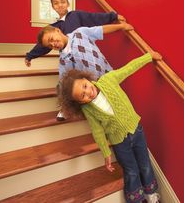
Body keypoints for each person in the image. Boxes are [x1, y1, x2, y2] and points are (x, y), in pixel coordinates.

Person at [58, 51, 162, 203]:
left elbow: (129, 68)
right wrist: (106, 153)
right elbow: (97, 131)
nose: (88, 93)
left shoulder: (108, 80)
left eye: (85, 86)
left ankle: (152, 194)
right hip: (120, 142)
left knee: (145, 164)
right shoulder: (89, 109)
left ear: (85, 78)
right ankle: (137, 199)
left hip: (136, 130)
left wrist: (148, 56)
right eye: (83, 96)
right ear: (80, 103)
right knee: (131, 171)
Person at [26, 0, 125, 120]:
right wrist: (30, 55)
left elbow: (94, 18)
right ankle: (65, 107)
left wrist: (114, 17)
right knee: (64, 82)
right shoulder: (53, 28)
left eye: (62, 2)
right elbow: (42, 46)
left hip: (84, 51)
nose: (60, 5)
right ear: (53, 7)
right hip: (72, 61)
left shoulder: (76, 16)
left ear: (67, 3)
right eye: (56, 3)